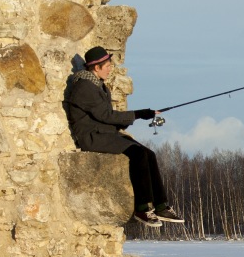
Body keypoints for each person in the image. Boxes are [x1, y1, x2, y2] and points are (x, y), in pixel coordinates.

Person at [63, 46, 184, 228]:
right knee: (138, 155)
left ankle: (161, 206)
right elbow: (106, 116)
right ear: (96, 68)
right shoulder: (85, 88)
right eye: (107, 66)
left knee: (148, 154)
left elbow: (105, 116)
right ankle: (142, 209)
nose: (110, 69)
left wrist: (143, 114)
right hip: (92, 137)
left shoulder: (98, 85)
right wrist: (139, 114)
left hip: (104, 132)